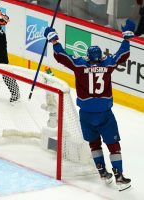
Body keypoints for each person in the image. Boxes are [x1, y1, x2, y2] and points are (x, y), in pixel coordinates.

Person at [44, 19, 135, 191]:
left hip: (85, 114)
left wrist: (54, 40)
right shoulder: (107, 65)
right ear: (100, 58)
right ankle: (119, 177)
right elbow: (123, 55)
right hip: (105, 114)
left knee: (94, 144)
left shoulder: (79, 65)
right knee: (113, 146)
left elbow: (62, 57)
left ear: (87, 57)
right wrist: (126, 39)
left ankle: (102, 173)